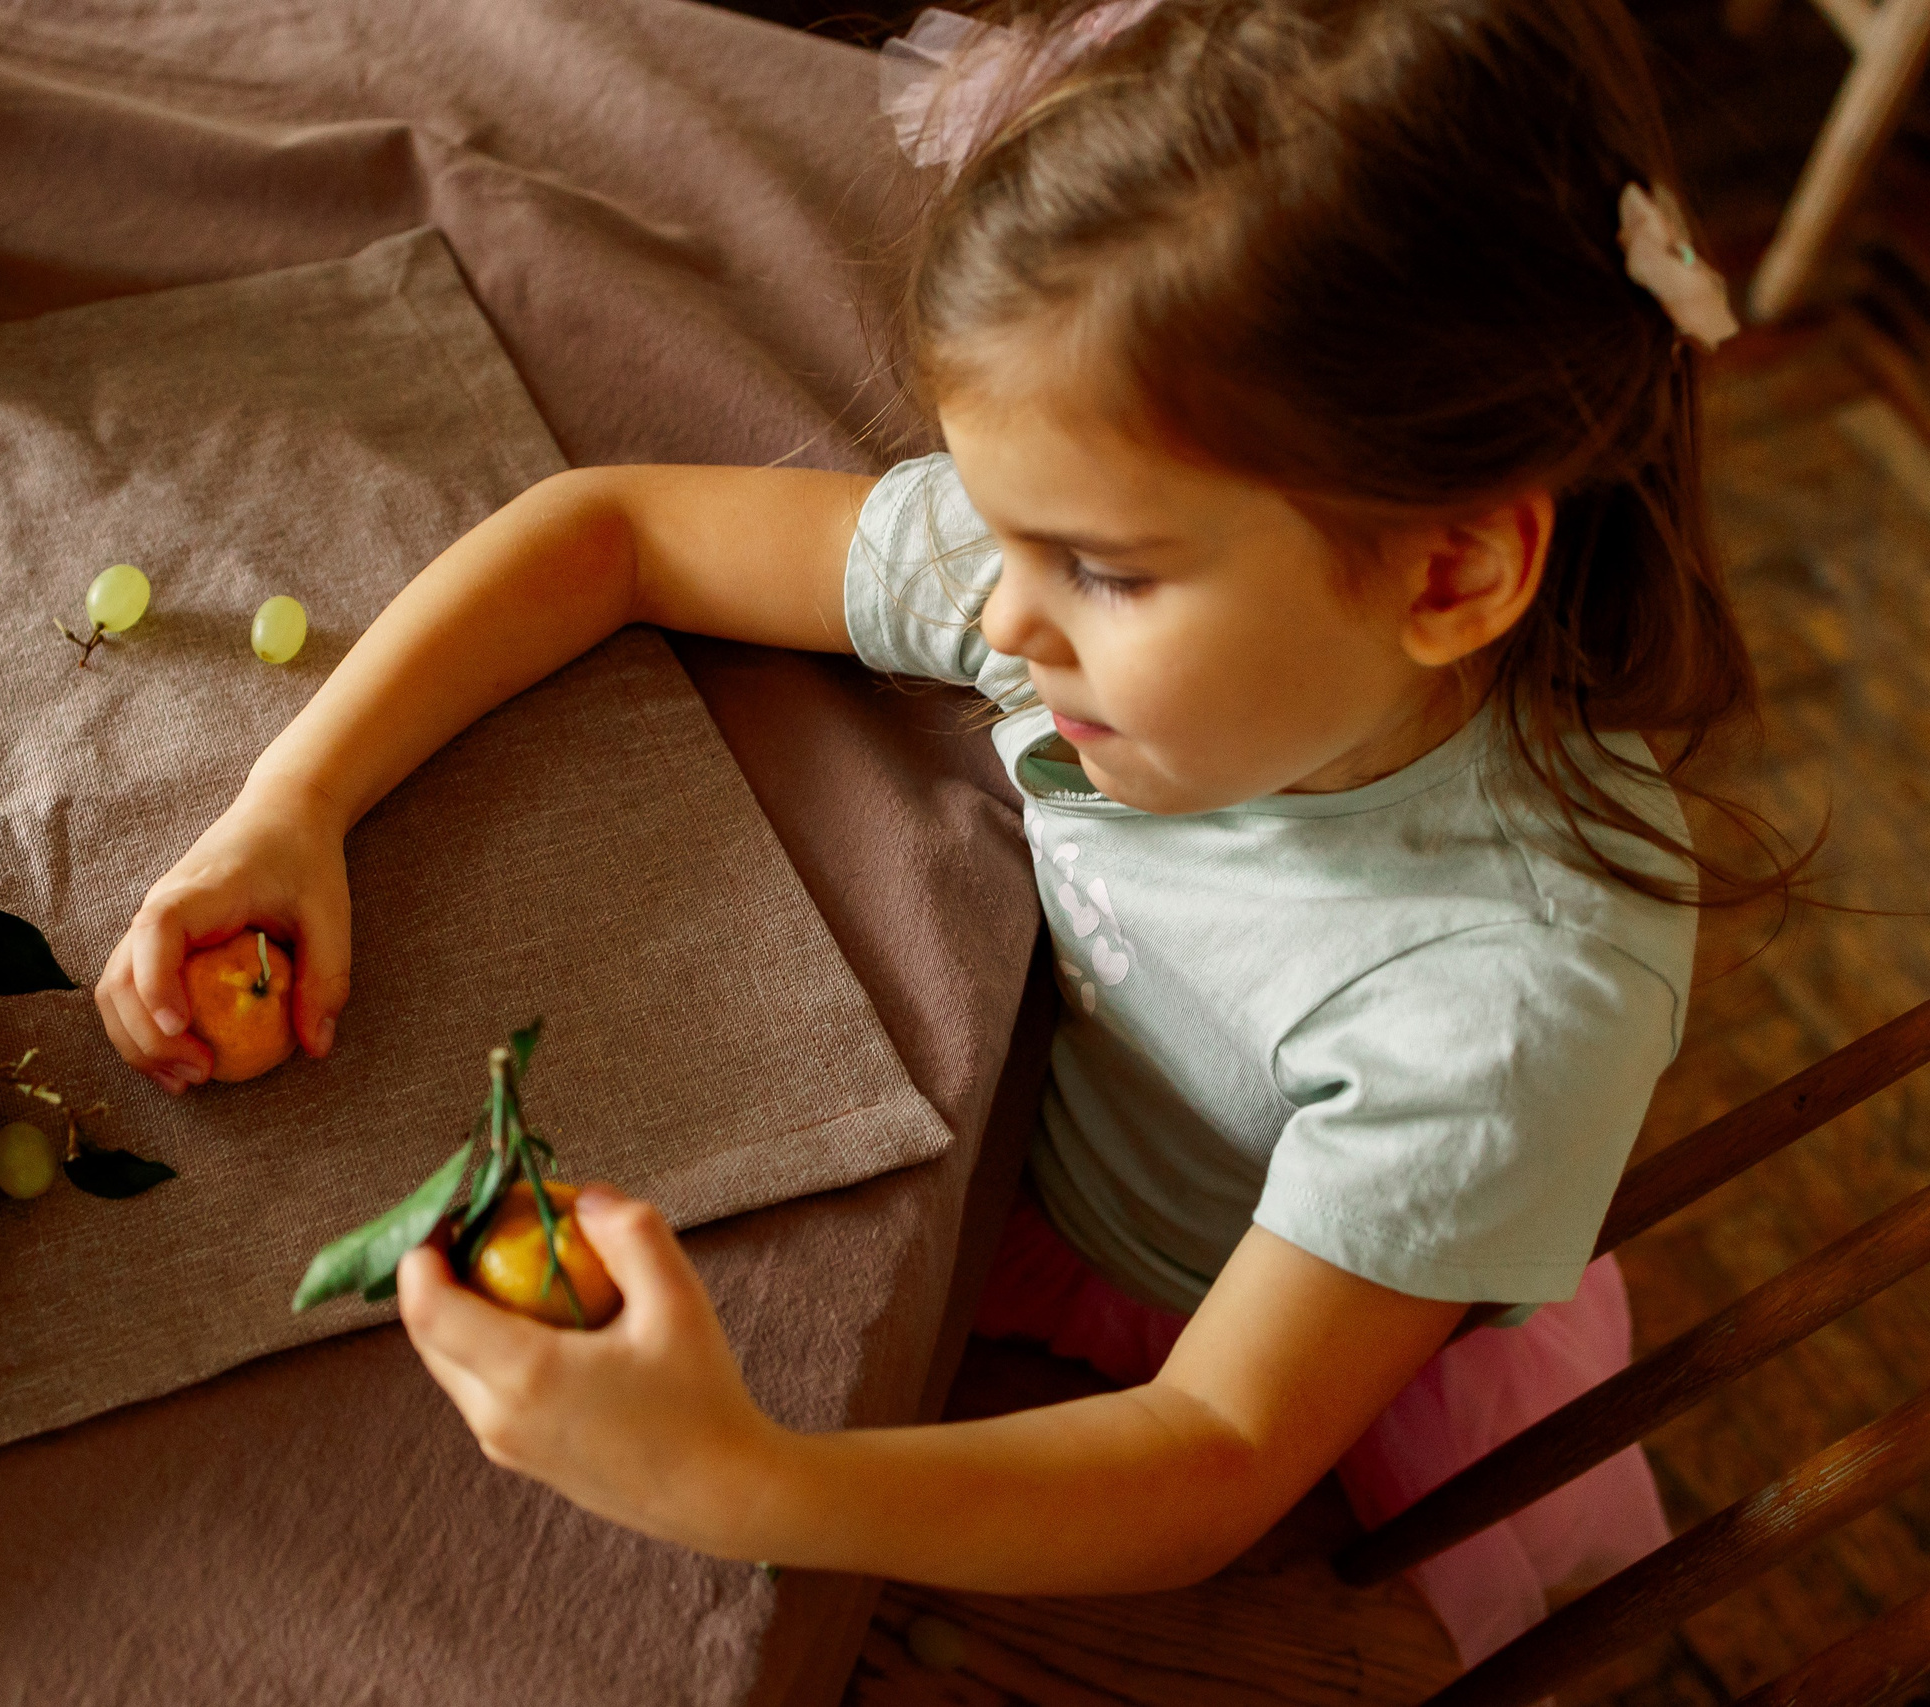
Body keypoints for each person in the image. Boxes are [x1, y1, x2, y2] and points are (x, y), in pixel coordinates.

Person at [96, 0, 1788, 1663]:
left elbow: (1208, 1454)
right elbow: (610, 533)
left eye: (1107, 573)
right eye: (1004, 533)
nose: (1008, 618)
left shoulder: (1499, 1011)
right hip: (1035, 1163)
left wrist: (733, 1485)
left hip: (1235, 1343)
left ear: (1449, 575)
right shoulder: (1057, 572)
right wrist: (291, 805)